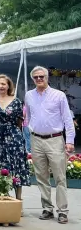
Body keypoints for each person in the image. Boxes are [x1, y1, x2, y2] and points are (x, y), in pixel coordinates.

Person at [25, 66, 75, 224]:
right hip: (36, 139)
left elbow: (67, 118)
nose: (39, 79)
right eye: (36, 77)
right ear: (33, 79)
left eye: (42, 76)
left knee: (60, 177)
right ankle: (47, 208)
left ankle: (63, 211)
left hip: (55, 139)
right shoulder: (29, 95)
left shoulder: (58, 95)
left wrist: (70, 141)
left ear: (47, 78)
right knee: (41, 176)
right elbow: (30, 117)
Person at [0, 74, 30, 204]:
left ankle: (18, 199)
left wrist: (13, 133)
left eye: (3, 84)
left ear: (8, 85)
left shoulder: (16, 101)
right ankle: (2, 197)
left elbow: (19, 121)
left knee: (16, 165)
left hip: (13, 136)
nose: (1, 86)